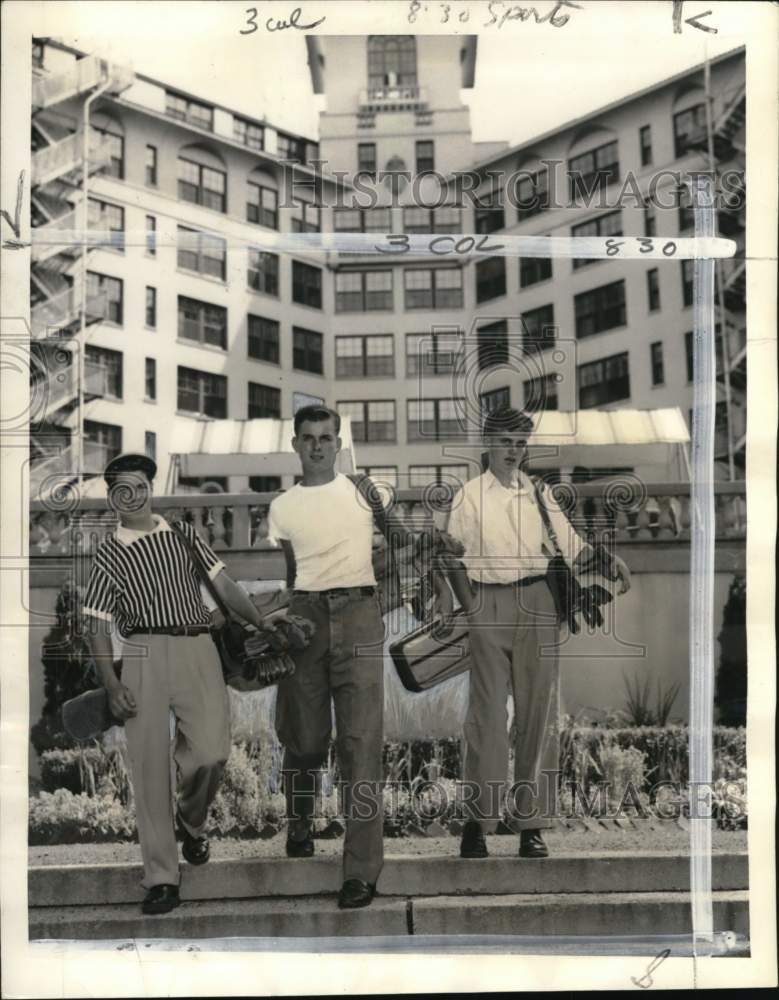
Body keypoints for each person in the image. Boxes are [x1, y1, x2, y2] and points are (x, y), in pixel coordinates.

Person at [267, 406, 455, 910]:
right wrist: (284, 625)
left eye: (326, 438)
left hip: (359, 615)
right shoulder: (282, 506)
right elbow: (292, 575)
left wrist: (431, 581)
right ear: (295, 443)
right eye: (307, 438)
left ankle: (360, 873)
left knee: (361, 746)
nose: (317, 446)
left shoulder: (363, 490)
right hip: (305, 619)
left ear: (337, 442)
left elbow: (402, 542)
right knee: (304, 739)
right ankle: (300, 823)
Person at [82, 453, 277, 915]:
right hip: (143, 655)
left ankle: (191, 824)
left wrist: (261, 624)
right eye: (121, 489)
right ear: (113, 498)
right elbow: (94, 623)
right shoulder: (109, 552)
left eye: (139, 485)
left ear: (151, 488)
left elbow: (226, 587)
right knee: (149, 770)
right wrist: (111, 684)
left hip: (196, 648)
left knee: (211, 752)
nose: (132, 495)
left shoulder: (184, 535)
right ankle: (161, 879)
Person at [444, 408, 631, 860]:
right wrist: (470, 609)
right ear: (487, 442)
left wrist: (608, 562)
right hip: (487, 602)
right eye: (506, 441)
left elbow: (571, 549)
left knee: (538, 715)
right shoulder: (468, 496)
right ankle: (477, 823)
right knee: (486, 718)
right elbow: (450, 556)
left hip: (538, 604)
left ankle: (531, 824)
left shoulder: (539, 494)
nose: (513, 450)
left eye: (520, 443)